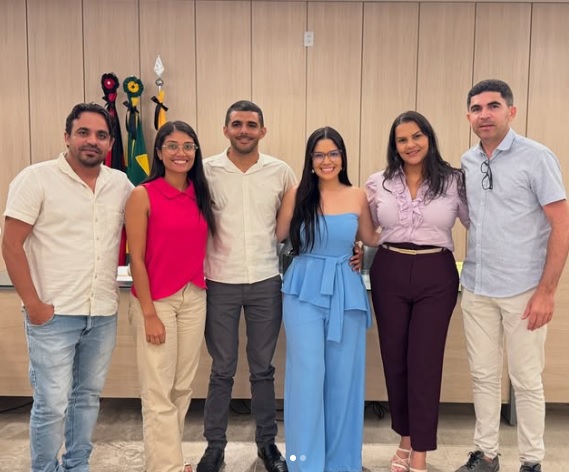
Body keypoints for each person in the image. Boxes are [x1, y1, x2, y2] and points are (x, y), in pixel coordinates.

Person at [1, 103, 133, 472]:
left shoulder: (120, 184)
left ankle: (77, 466)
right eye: (83, 132)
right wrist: (34, 304)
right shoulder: (36, 179)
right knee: (52, 404)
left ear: (110, 143)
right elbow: (11, 245)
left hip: (102, 312)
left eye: (101, 135)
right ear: (67, 137)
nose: (92, 141)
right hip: (53, 315)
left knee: (87, 398)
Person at [455, 79, 569, 472]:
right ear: (468, 116)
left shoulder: (537, 157)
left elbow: (562, 225)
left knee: (526, 380)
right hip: (477, 287)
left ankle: (532, 461)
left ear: (511, 111)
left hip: (524, 290)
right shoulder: (468, 161)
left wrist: (547, 292)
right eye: (476, 108)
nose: (484, 115)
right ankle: (486, 454)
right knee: (483, 376)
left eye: (493, 106)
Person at [365, 111, 469, 472]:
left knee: (424, 363)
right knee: (395, 360)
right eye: (402, 139)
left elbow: (478, 222)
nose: (410, 145)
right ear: (394, 145)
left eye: (416, 136)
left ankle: (420, 454)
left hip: (436, 272)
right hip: (389, 269)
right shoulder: (378, 182)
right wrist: (354, 249)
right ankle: (405, 440)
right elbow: (363, 227)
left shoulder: (454, 180)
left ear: (429, 138)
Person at [196, 100, 296, 472]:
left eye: (251, 125)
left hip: (266, 282)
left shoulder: (280, 172)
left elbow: (295, 224)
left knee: (262, 369)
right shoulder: (205, 171)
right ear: (225, 129)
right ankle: (214, 447)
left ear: (262, 131)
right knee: (221, 369)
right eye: (237, 124)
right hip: (219, 281)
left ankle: (267, 446)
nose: (244, 131)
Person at [275, 126, 379, 472]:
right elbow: (277, 234)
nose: (326, 160)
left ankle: (341, 463)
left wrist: (361, 250)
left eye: (333, 153)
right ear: (310, 160)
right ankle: (305, 464)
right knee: (307, 377)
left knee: (343, 379)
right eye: (319, 154)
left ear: (342, 157)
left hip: (346, 290)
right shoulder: (296, 194)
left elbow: (371, 238)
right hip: (303, 288)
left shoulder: (358, 195)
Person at [125, 121, 216, 472]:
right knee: (157, 390)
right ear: (159, 152)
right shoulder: (143, 195)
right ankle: (167, 467)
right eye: (173, 146)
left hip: (193, 296)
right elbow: (136, 258)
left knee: (182, 387)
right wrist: (149, 314)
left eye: (188, 146)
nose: (181, 153)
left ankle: (170, 461)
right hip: (156, 301)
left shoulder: (200, 193)